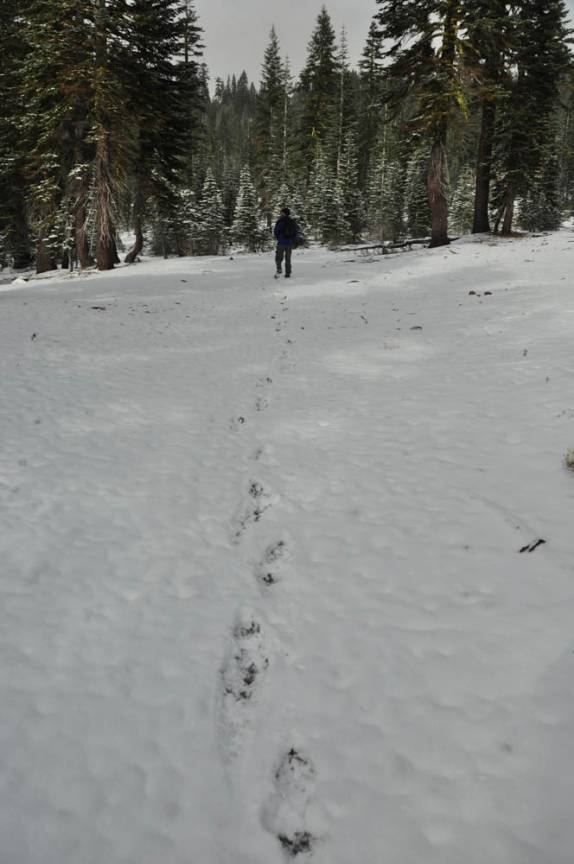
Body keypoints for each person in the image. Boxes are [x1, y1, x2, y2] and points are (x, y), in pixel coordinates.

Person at [273, 207, 299, 279]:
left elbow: (276, 231)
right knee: (288, 259)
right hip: (289, 243)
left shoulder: (281, 221)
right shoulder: (292, 221)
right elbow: (295, 232)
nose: (280, 213)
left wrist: (278, 238)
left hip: (281, 242)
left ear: (284, 213)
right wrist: (292, 240)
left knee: (278, 258)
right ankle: (288, 273)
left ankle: (279, 269)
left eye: (281, 212)